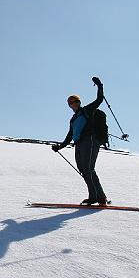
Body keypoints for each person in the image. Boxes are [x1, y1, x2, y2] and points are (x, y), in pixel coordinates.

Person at [52, 76, 107, 205]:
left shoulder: (87, 110)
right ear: (69, 105)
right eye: (71, 102)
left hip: (90, 141)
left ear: (79, 102)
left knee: (88, 168)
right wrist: (59, 147)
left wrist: (100, 86)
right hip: (79, 144)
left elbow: (99, 100)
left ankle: (95, 197)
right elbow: (70, 135)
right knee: (84, 169)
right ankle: (100, 196)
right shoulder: (73, 119)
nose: (73, 103)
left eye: (75, 101)